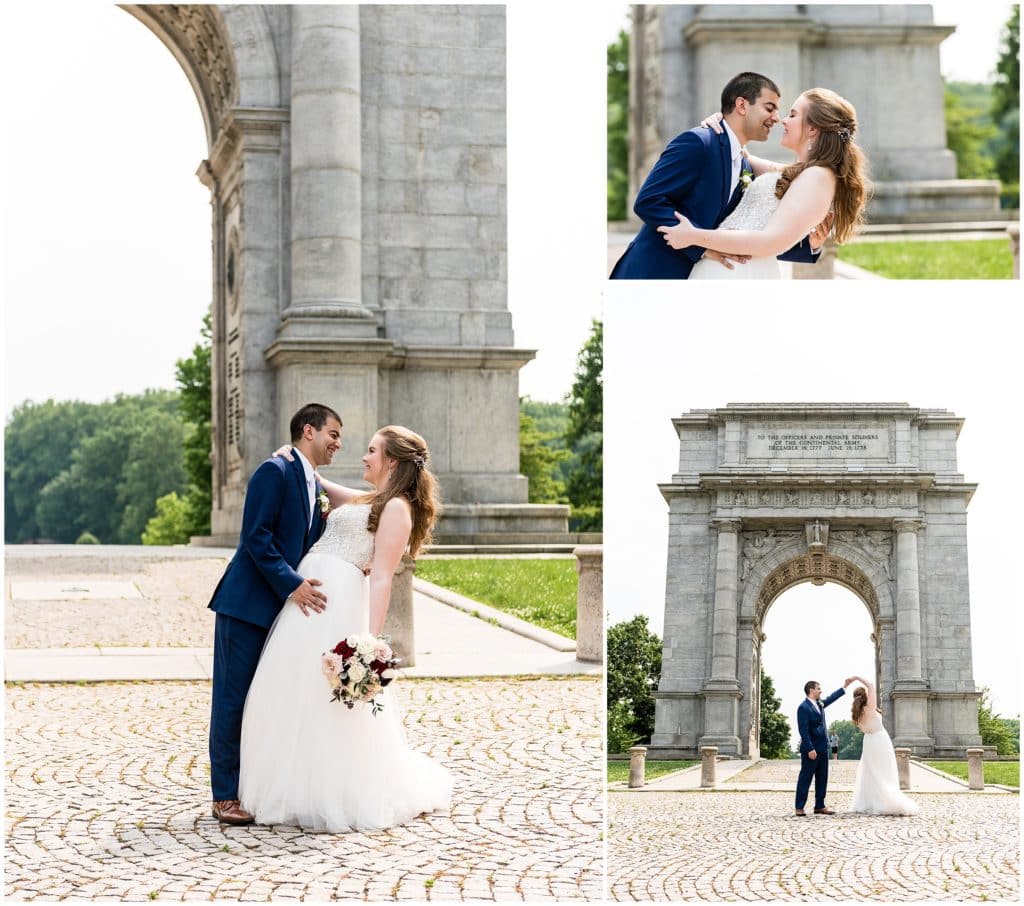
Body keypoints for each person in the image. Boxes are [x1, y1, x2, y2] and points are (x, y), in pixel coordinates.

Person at [238, 426, 453, 832]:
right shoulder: (373, 500)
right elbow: (318, 482)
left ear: (391, 461)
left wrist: (367, 645)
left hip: (337, 606)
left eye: (372, 450)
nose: (364, 456)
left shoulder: (397, 509)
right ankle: (292, 782)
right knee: (294, 691)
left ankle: (328, 790)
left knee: (324, 703)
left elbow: (383, 577)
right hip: (310, 604)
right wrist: (293, 455)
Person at [207, 403, 342, 825]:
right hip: (246, 606)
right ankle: (224, 795)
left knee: (261, 701)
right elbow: (256, 537)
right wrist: (293, 584)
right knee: (231, 700)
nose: (338, 443)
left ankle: (253, 786)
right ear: (308, 431)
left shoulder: (311, 484)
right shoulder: (275, 471)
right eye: (333, 434)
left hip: (280, 615)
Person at [609, 71, 827, 279]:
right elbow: (649, 201)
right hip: (652, 275)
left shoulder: (745, 166)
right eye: (769, 108)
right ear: (741, 105)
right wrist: (700, 246)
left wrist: (810, 247)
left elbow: (745, 234)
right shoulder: (698, 143)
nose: (776, 119)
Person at [658, 87, 869, 280]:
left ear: (813, 129)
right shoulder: (803, 173)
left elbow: (769, 242)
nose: (783, 120)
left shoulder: (817, 177)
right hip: (732, 271)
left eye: (793, 115)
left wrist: (694, 236)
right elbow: (742, 156)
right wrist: (720, 125)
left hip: (740, 275)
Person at [847, 675, 920, 816]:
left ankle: (869, 801)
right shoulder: (870, 708)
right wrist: (856, 678)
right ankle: (885, 799)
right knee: (884, 770)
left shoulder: (856, 715)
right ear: (865, 696)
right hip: (880, 740)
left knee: (870, 773)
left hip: (868, 742)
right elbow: (871, 685)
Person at [795, 678, 852, 817]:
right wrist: (810, 748)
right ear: (811, 690)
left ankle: (819, 806)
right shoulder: (803, 707)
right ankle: (799, 807)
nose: (821, 691)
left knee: (822, 778)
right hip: (811, 750)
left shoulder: (819, 704)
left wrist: (844, 687)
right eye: (818, 688)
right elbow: (803, 730)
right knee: (805, 778)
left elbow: (831, 699)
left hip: (823, 748)